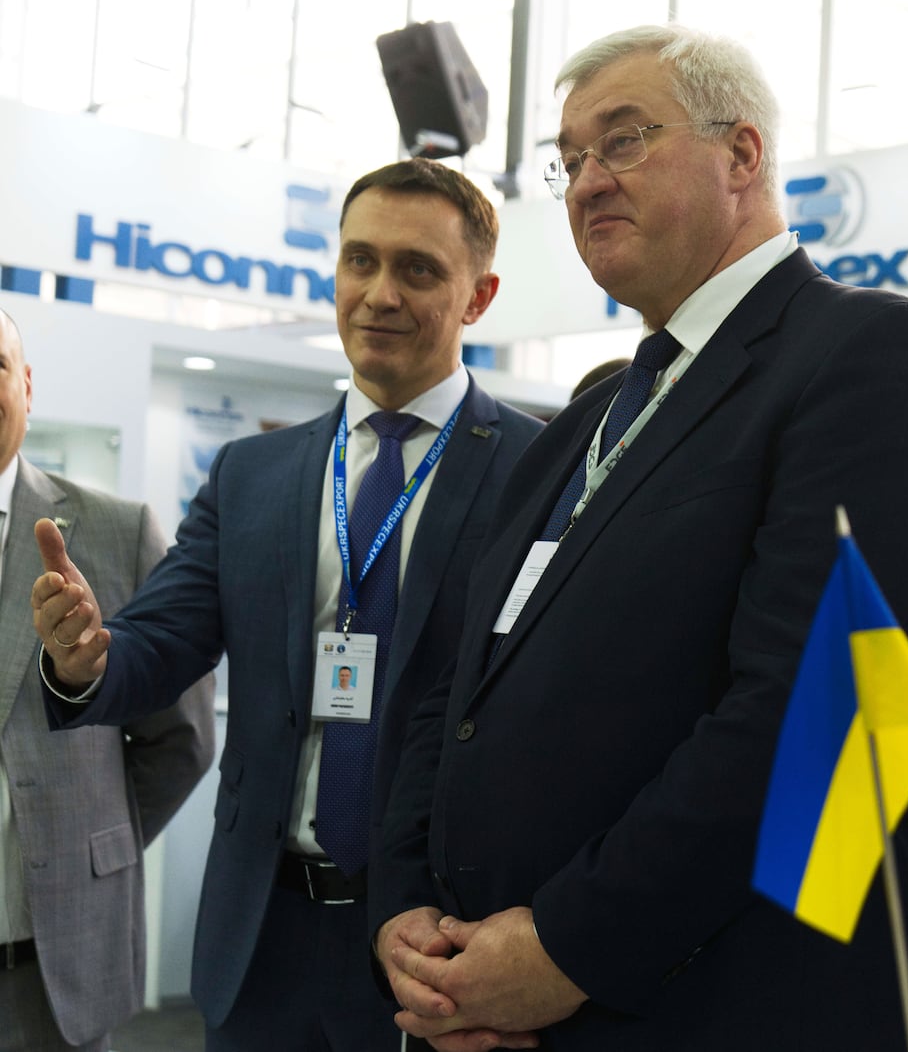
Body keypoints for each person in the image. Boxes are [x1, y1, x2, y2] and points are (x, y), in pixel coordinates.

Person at [370, 24, 908, 1051]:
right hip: (492, 996)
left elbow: (828, 715)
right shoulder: (594, 414)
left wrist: (569, 946)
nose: (584, 183)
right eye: (566, 160)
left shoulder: (869, 354)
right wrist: (404, 907)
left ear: (742, 156)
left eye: (622, 140)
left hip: (715, 1004)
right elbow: (459, 684)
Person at [29, 159, 542, 1051]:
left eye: (418, 269)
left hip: (437, 938)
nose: (379, 293)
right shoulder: (253, 473)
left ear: (479, 295)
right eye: (359, 261)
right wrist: (88, 660)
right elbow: (164, 637)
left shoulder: (537, 472)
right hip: (260, 932)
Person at [0, 307, 213, 1052]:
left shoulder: (114, 532)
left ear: (26, 386)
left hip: (45, 966)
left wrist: (89, 850)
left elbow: (179, 738)